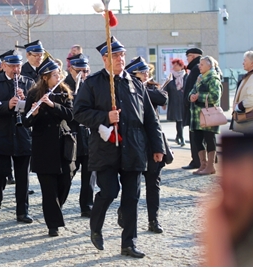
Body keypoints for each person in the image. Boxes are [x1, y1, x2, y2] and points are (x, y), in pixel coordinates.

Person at [73, 37, 165, 258]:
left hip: (134, 148)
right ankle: (96, 226)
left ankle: (129, 243)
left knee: (131, 197)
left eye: (122, 55)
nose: (120, 59)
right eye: (115, 55)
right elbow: (79, 112)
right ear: (105, 59)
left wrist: (157, 146)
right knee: (109, 191)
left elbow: (151, 119)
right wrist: (105, 116)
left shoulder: (135, 84)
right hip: (106, 148)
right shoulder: (93, 83)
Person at [24, 58, 76, 237]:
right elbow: (26, 121)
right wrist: (35, 113)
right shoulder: (33, 94)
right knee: (48, 188)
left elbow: (70, 115)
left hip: (63, 144)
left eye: (58, 74)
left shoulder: (64, 93)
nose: (58, 77)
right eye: (55, 75)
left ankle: (54, 210)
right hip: (43, 146)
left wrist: (53, 105)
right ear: (45, 78)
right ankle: (52, 224)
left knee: (65, 183)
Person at [0, 49, 34, 223]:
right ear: (4, 66)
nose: (16, 69)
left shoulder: (28, 82)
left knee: (23, 177)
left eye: (18, 66)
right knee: (1, 172)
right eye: (12, 66)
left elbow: (35, 107)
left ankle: (22, 211)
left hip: (22, 135)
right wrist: (8, 105)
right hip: (2, 134)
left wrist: (25, 100)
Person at [128, 57, 173, 234]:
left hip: (153, 142)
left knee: (153, 185)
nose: (147, 74)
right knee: (132, 186)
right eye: (142, 72)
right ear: (134, 74)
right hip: (135, 143)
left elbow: (163, 98)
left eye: (147, 71)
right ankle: (125, 214)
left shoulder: (150, 88)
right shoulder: (127, 89)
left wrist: (144, 85)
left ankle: (153, 220)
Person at [64, 54, 94, 216]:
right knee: (68, 172)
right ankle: (59, 201)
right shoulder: (64, 85)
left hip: (88, 133)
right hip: (72, 134)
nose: (83, 74)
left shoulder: (90, 85)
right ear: (71, 70)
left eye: (86, 71)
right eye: (79, 71)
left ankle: (87, 206)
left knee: (90, 173)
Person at [189, 55, 223, 176]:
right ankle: (203, 164)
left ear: (210, 66)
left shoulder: (213, 78)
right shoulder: (200, 77)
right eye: (199, 64)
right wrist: (191, 96)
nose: (199, 66)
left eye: (202, 64)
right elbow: (192, 90)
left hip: (208, 115)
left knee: (209, 139)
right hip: (197, 116)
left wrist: (199, 96)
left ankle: (211, 166)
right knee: (197, 139)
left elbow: (215, 97)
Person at [231, 50, 253, 134]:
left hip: (250, 120)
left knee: (252, 145)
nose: (243, 63)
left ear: (252, 63)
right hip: (250, 121)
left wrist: (239, 106)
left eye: (245, 60)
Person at [182, 47, 204, 169]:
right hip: (195, 106)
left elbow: (193, 88)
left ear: (194, 56)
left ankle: (196, 160)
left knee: (195, 135)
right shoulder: (196, 68)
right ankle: (200, 160)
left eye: (188, 56)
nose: (187, 59)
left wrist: (187, 100)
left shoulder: (196, 69)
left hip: (194, 107)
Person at [163, 57, 188, 145]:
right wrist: (164, 102)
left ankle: (178, 137)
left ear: (181, 66)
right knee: (179, 120)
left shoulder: (186, 76)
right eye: (173, 65)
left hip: (184, 102)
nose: (174, 67)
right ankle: (181, 138)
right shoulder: (170, 77)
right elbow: (165, 90)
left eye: (176, 65)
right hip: (174, 102)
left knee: (182, 120)